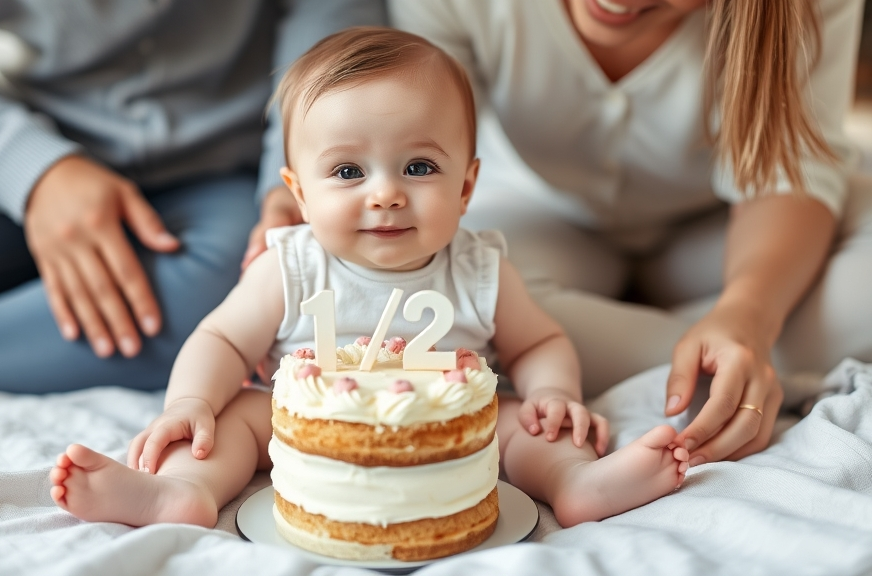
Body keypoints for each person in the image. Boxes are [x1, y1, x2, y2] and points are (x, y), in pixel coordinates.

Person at [48, 27, 690, 529]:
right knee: (235, 417)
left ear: (466, 186)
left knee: (526, 424)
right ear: (298, 195)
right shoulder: (293, 266)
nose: (384, 195)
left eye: (417, 167)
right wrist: (189, 404)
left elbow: (538, 343)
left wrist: (556, 392)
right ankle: (180, 494)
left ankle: (577, 484)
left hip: (450, 433)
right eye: (349, 172)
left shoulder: (477, 269)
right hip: (299, 430)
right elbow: (220, 341)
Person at [245, 0, 872, 469]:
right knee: (474, 292)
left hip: (720, 226)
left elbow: (793, 171)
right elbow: (392, 131)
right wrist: (298, 202)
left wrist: (749, 313)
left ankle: (720, 347)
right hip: (536, 214)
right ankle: (724, 358)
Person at [0, 0, 385, 399]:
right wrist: (38, 174)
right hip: (17, 140)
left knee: (251, 291)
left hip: (227, 174)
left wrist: (289, 185)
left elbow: (334, 42)